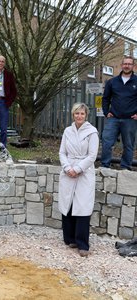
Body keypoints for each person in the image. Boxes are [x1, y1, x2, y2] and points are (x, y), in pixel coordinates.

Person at [58, 103, 99, 257]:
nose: (79, 116)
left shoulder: (92, 132)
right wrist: (67, 167)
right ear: (73, 115)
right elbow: (62, 152)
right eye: (77, 114)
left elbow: (92, 155)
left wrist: (78, 168)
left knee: (82, 206)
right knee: (68, 203)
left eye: (82, 114)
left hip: (84, 171)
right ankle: (70, 239)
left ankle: (82, 243)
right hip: (68, 169)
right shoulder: (67, 131)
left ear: (86, 115)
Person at [101, 56, 137, 170]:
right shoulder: (112, 81)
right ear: (121, 65)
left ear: (133, 66)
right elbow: (105, 98)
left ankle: (125, 167)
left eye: (129, 64)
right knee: (106, 142)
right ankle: (104, 166)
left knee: (128, 145)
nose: (127, 66)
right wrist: (106, 112)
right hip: (113, 118)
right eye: (125, 63)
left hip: (130, 119)